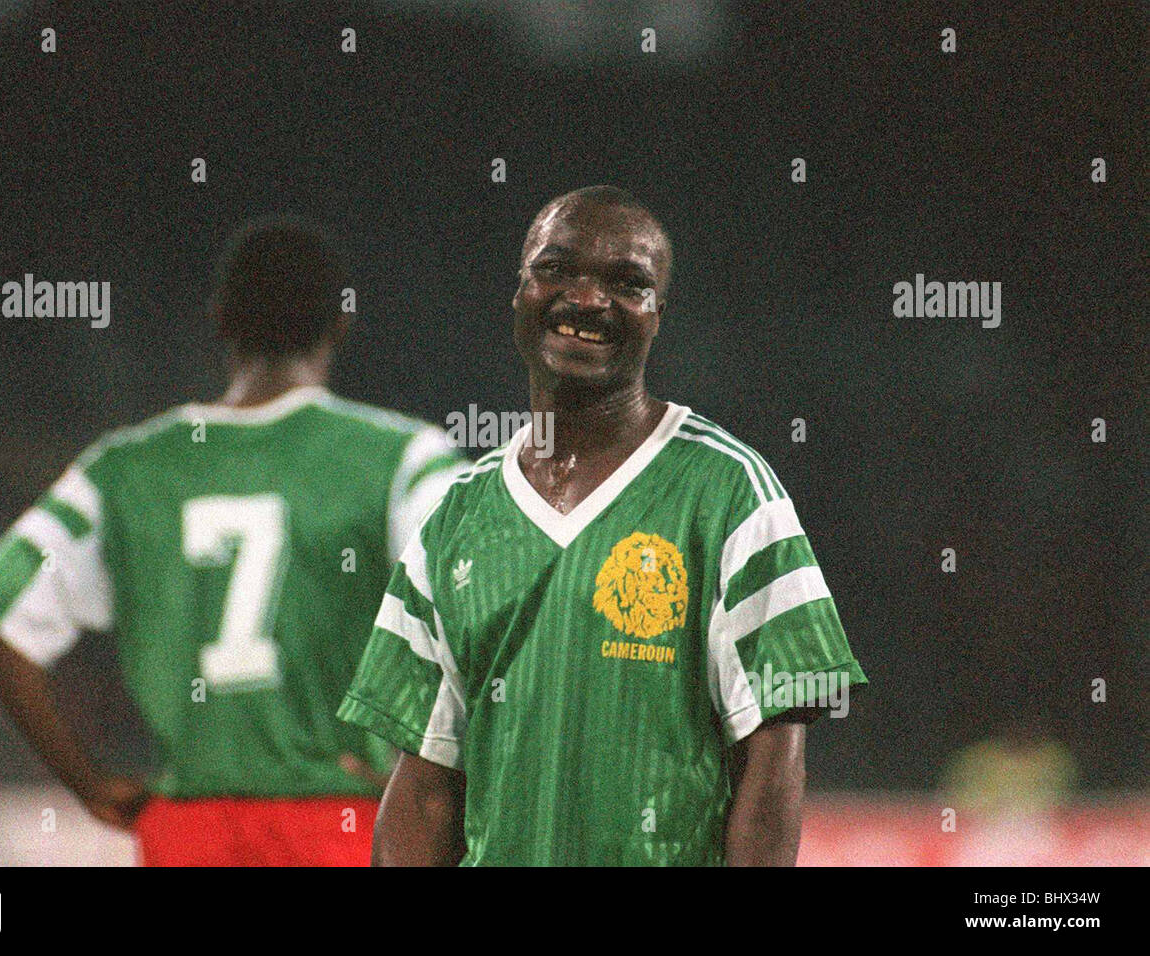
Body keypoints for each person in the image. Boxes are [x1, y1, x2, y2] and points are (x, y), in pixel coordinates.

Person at [339, 186, 867, 865]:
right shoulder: (456, 519)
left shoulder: (731, 491)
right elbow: (424, 786)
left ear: (656, 315)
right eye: (556, 269)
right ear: (519, 293)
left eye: (626, 283)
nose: (587, 300)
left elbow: (774, 758)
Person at [0, 217, 466, 865]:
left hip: (188, 831)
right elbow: (476, 610)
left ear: (220, 320)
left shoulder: (124, 469)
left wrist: (88, 781)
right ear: (340, 325)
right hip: (341, 821)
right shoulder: (402, 459)